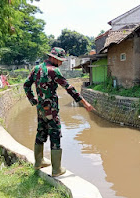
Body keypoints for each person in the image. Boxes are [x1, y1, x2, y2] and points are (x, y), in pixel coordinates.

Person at [23, 47, 95, 177]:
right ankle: (56, 169)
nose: (61, 63)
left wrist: (33, 100)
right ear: (54, 58)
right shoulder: (54, 71)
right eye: (60, 60)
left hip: (40, 109)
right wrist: (85, 103)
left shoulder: (36, 69)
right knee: (55, 135)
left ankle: (38, 161)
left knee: (40, 132)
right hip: (52, 110)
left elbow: (26, 85)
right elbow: (69, 88)